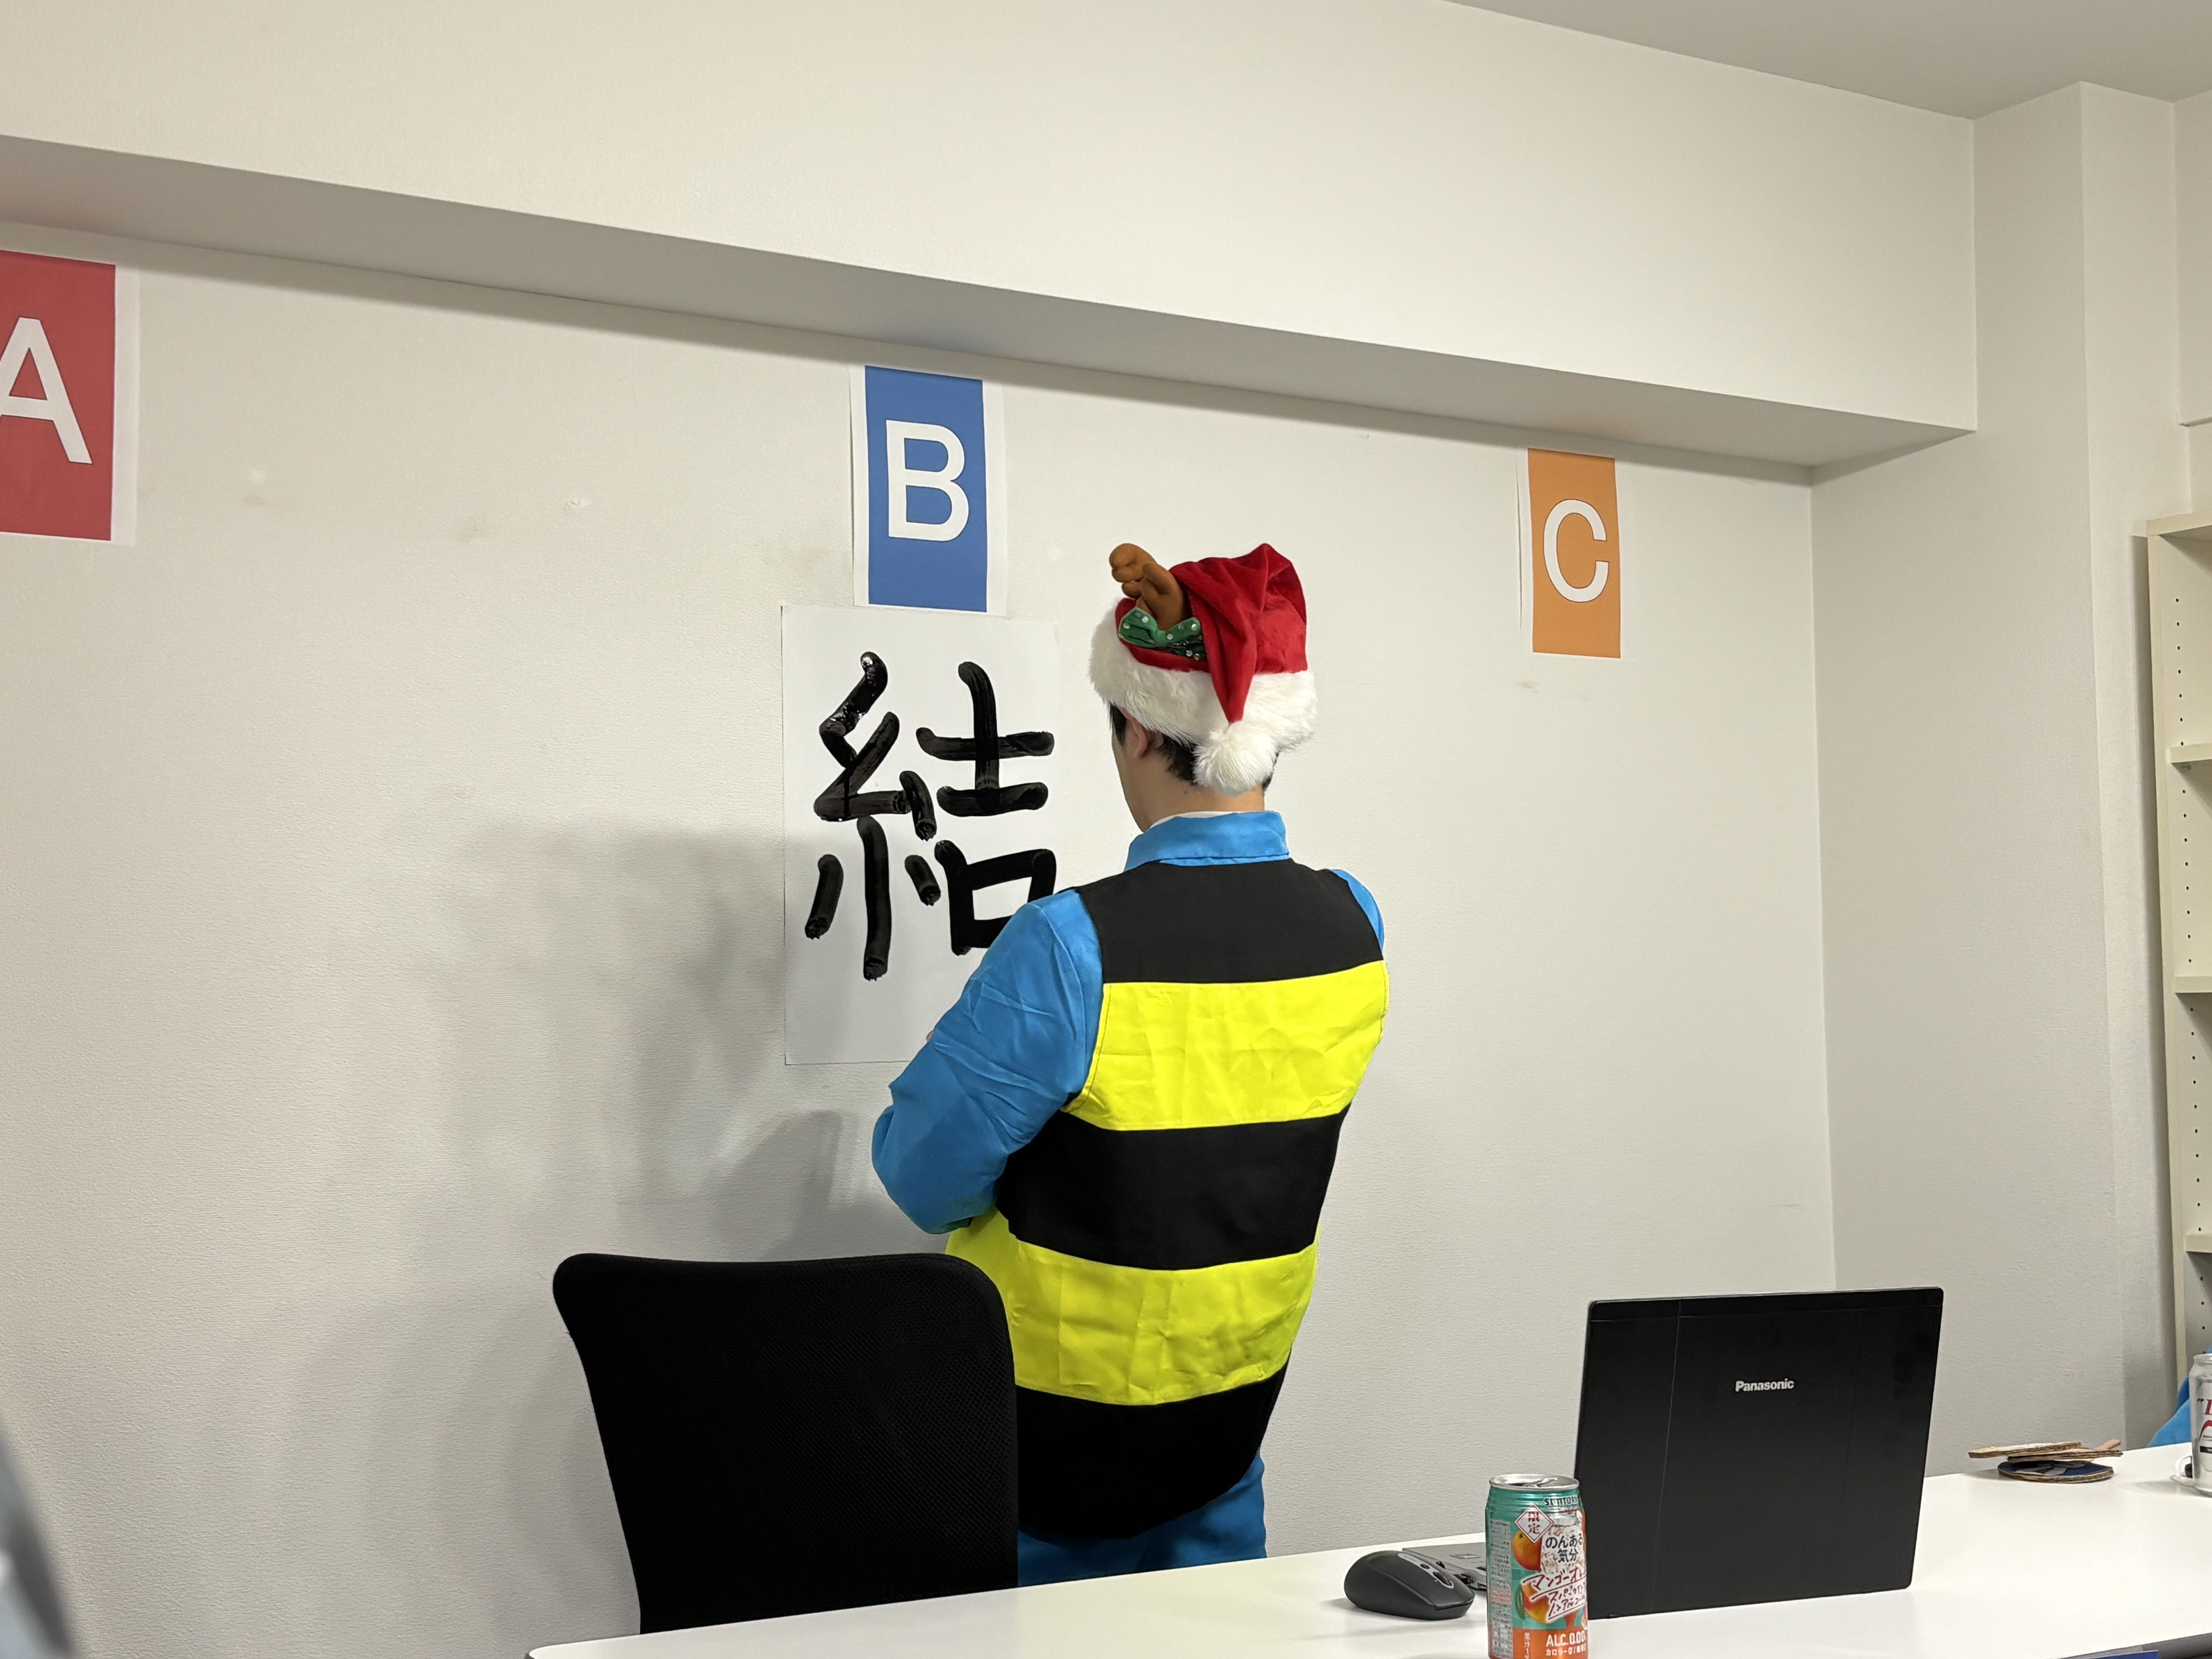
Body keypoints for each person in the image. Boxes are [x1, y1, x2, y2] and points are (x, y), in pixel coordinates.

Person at [872, 541, 1388, 1583]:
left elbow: (919, 1176)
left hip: (1041, 1467)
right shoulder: (1355, 926)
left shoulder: (1073, 947)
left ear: (1141, 725)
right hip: (1223, 1441)